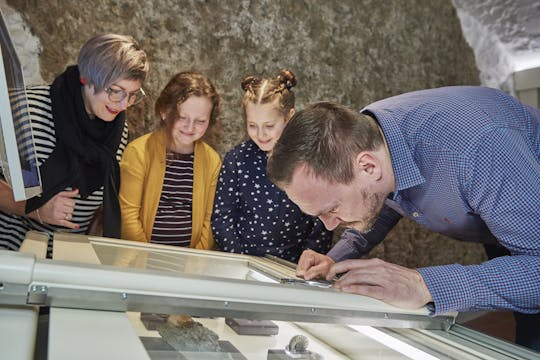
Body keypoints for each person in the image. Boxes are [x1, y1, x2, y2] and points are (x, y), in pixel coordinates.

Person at [266, 86, 540, 351]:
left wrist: (425, 285)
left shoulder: (478, 151)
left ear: (367, 166)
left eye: (332, 208)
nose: (329, 224)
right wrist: (334, 258)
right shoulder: (372, 140)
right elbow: (380, 198)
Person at [0, 33, 149, 255]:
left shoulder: (118, 131)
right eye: (114, 91)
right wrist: (36, 209)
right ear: (86, 77)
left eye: (132, 95)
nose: (123, 104)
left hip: (65, 262)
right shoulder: (27, 112)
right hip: (13, 257)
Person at [211, 69, 332, 263]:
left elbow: (322, 218)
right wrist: (240, 260)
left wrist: (308, 258)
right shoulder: (236, 160)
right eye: (252, 125)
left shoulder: (308, 159)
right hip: (243, 264)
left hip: (296, 266)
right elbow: (222, 216)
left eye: (269, 126)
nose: (261, 134)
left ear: (289, 116)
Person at [119, 71, 221, 250]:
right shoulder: (138, 152)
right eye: (182, 117)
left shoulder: (212, 161)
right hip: (140, 259)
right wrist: (146, 257)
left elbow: (210, 219)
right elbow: (127, 216)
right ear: (165, 111)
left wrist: (195, 260)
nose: (190, 127)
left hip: (189, 264)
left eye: (200, 121)